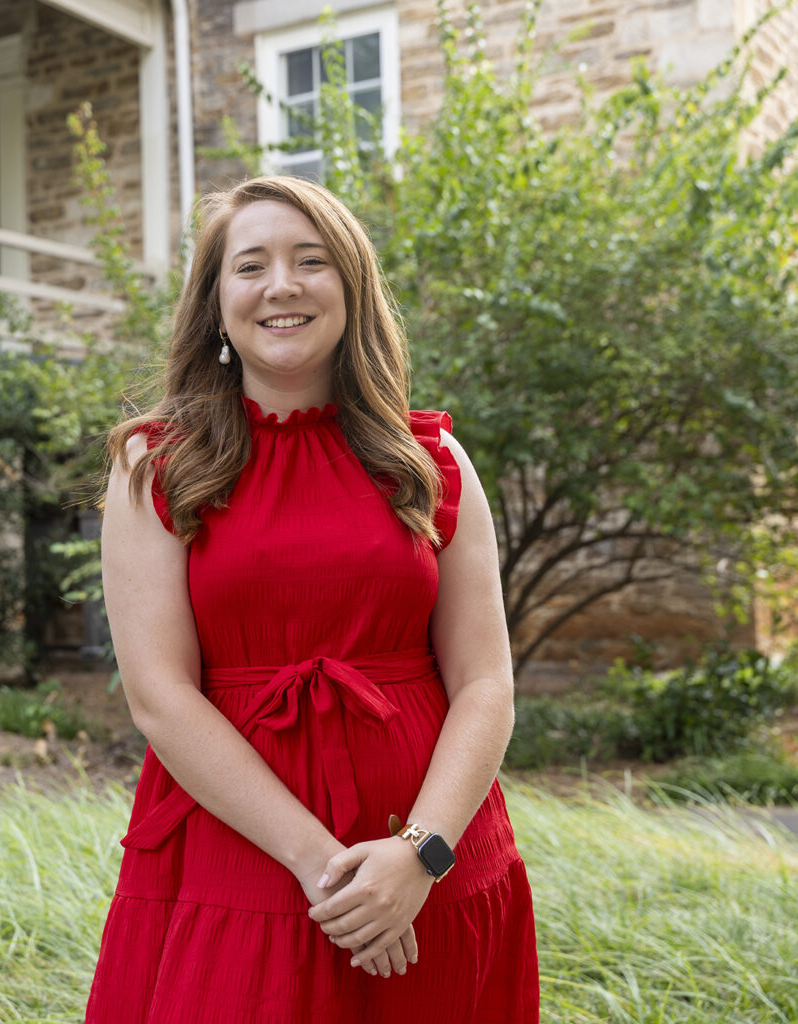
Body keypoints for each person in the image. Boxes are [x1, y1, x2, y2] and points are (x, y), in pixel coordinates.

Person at [83, 175, 539, 1023]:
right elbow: (160, 697)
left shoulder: (429, 462)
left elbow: (486, 684)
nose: (282, 285)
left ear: (351, 288)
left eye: (311, 261)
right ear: (216, 305)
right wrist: (326, 870)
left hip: (432, 861)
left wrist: (418, 857)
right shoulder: (156, 464)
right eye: (250, 265)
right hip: (239, 859)